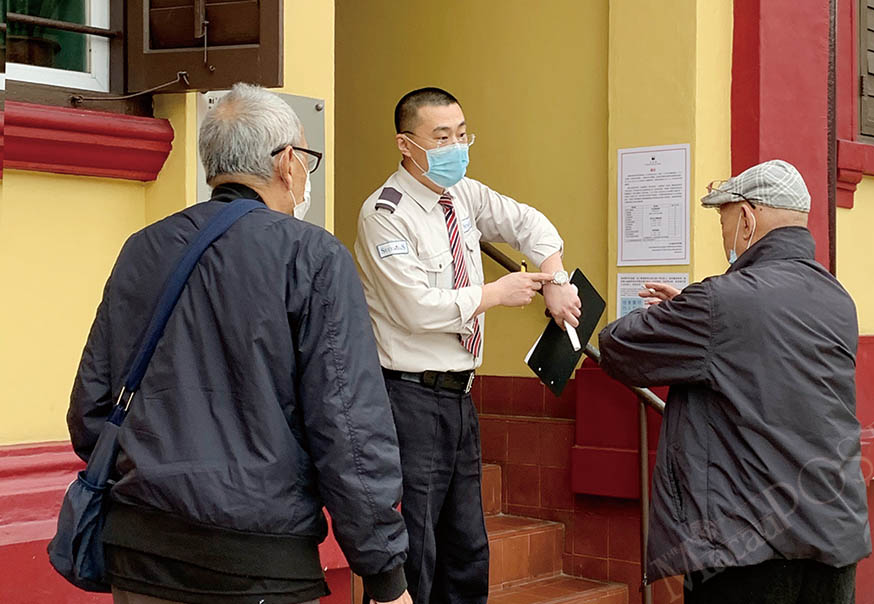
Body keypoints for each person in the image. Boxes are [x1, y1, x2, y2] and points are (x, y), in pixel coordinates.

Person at [68, 83, 411, 604]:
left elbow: (90, 408)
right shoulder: (312, 257)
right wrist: (384, 573)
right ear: (287, 162)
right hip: (259, 560)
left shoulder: (144, 248)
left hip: (140, 553)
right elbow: (349, 427)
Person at [598, 159, 871, 604]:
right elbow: (758, 357)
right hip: (832, 532)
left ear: (746, 218)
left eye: (723, 220)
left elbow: (618, 348)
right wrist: (690, 313)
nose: (724, 235)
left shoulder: (720, 302)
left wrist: (677, 314)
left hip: (748, 546)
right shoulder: (836, 297)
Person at [354, 87, 581, 604]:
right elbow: (413, 307)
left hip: (460, 396)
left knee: (467, 546)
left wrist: (556, 280)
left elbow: (532, 224)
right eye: (441, 137)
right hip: (407, 398)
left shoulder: (465, 196)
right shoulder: (384, 213)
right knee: (417, 544)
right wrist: (493, 295)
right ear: (406, 144)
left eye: (461, 135)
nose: (455, 146)